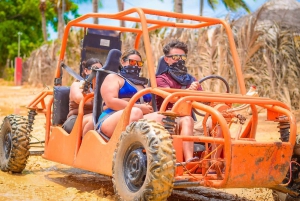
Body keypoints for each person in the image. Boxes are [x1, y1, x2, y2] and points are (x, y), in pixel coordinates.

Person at [156, 40, 223, 164]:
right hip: (168, 121)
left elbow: (202, 100)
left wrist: (212, 102)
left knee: (217, 122)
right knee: (187, 119)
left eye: (182, 57)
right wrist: (189, 91)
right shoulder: (161, 79)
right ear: (167, 59)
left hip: (190, 121)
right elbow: (172, 98)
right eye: (175, 57)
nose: (179, 60)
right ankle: (189, 162)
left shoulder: (191, 79)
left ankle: (214, 163)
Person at [97, 49, 161, 138]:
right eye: (132, 62)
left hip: (138, 118)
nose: (136, 66)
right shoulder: (114, 78)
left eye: (139, 64)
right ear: (122, 62)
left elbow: (148, 108)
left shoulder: (144, 86)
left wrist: (127, 102)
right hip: (111, 117)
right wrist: (138, 106)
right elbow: (110, 102)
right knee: (135, 112)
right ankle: (128, 148)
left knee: (162, 117)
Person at [62, 58, 103, 136]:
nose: (98, 73)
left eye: (101, 70)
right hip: (76, 117)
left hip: (95, 116)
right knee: (93, 121)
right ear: (86, 71)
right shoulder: (77, 84)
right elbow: (79, 99)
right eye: (95, 70)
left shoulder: (102, 87)